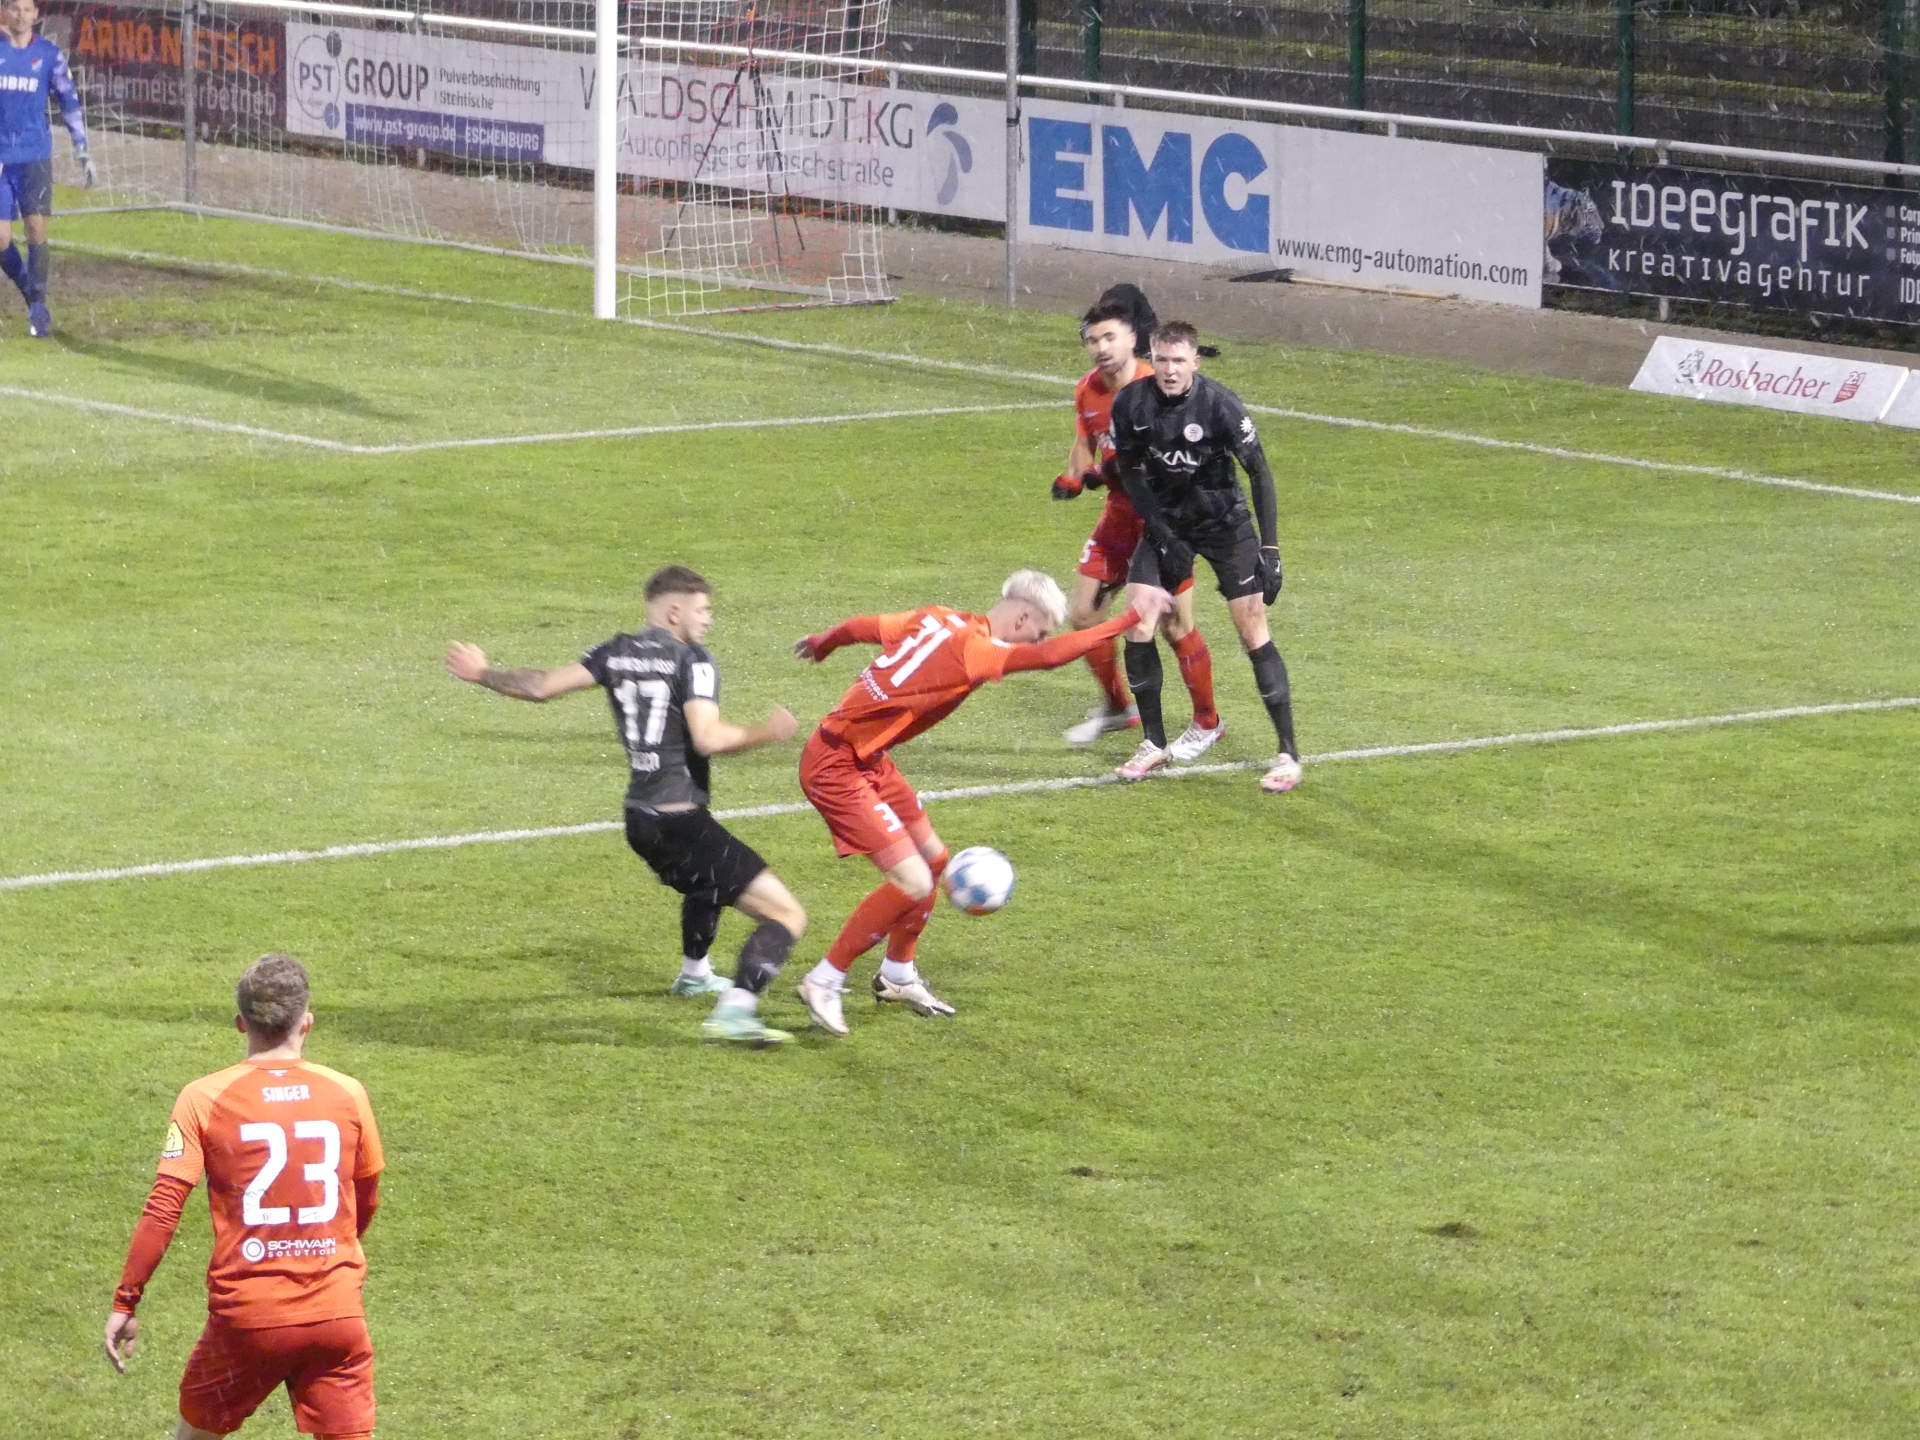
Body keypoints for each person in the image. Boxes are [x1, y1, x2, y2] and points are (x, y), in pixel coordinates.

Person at [790, 569, 1172, 1036]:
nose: (1037, 639)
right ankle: (825, 979)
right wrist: (1131, 617)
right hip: (836, 766)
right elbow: (1049, 657)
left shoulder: (936, 617)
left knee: (935, 860)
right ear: (1023, 616)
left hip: (868, 758)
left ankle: (897, 974)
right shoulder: (974, 650)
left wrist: (824, 641)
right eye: (1039, 630)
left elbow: (861, 626)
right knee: (912, 880)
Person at [446, 564, 807, 1046]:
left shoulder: (615, 651)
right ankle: (736, 1014)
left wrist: (481, 672)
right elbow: (708, 738)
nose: (708, 619)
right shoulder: (692, 659)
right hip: (679, 821)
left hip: (640, 818)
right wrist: (767, 731)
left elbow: (540, 686)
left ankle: (695, 974)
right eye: (702, 610)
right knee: (786, 914)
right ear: (674, 611)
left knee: (707, 880)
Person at [103, 954, 385, 1440]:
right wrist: (329, 1251)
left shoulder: (203, 1097)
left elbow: (164, 1207)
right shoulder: (349, 1093)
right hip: (337, 1315)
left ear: (240, 1023)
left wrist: (126, 1300)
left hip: (248, 1319)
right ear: (307, 1022)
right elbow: (367, 1197)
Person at [1109, 321, 1302, 794]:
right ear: (1152, 359)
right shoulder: (1131, 404)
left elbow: (1259, 474)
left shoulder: (1220, 405)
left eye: (1179, 361)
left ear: (1195, 362)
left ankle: (1288, 755)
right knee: (1139, 619)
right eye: (1161, 360)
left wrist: (1271, 549)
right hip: (1169, 525)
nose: (1169, 370)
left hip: (1225, 525)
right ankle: (1153, 744)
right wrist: (1162, 534)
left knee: (1251, 625)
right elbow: (1131, 472)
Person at [1053, 300, 1223, 759]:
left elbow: (1170, 462)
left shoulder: (1156, 388)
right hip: (1117, 520)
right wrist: (1076, 477)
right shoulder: (1087, 389)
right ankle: (1117, 707)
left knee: (1174, 624)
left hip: (1161, 522)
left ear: (1133, 340)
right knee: (1084, 617)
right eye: (1093, 340)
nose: (1101, 348)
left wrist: (1112, 471)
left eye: (1110, 337)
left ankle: (1208, 720)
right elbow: (1085, 442)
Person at [0, 0, 94, 338]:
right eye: (15, 9)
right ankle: (32, 294)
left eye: (27, 10)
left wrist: (81, 147)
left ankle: (38, 307)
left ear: (36, 15)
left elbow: (68, 99)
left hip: (34, 156)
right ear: (5, 12)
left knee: (36, 229)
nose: (21, 15)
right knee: (0, 239)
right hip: (1, 158)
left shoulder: (49, 55)